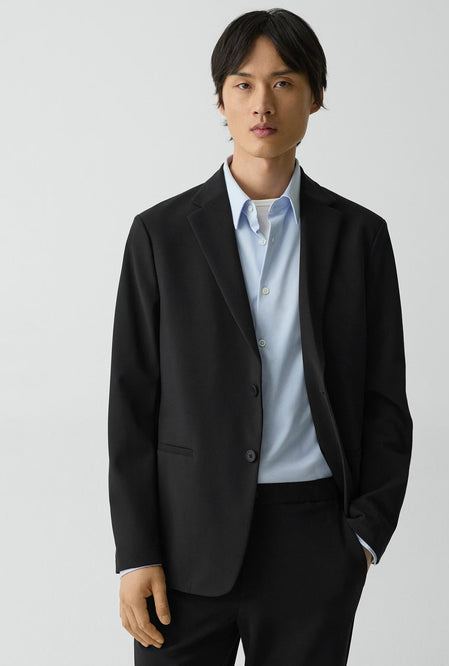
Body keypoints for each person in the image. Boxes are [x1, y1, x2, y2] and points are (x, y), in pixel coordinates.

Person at [108, 8, 413, 665]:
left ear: (315, 97)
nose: (261, 103)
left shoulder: (358, 237)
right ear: (219, 99)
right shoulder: (161, 235)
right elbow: (132, 403)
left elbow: (384, 399)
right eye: (243, 84)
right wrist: (136, 553)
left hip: (313, 540)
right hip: (184, 545)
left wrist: (362, 537)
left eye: (283, 82)